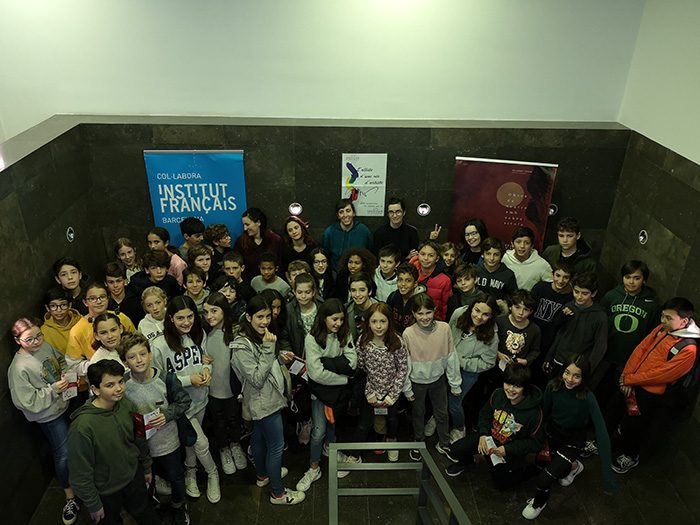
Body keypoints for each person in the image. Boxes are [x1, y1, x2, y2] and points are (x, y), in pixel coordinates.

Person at [230, 295, 305, 505]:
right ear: (248, 317)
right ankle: (278, 494)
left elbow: (264, 364)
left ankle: (263, 475)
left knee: (259, 437)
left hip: (267, 399)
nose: (265, 322)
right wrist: (269, 349)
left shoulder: (259, 336)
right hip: (263, 402)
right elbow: (256, 378)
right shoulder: (241, 346)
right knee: (276, 447)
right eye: (259, 317)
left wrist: (279, 357)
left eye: (267, 316)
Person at [521, 355, 616, 520]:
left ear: (584, 377)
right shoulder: (552, 386)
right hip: (552, 434)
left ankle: (539, 503)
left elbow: (602, 433)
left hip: (572, 441)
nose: (570, 379)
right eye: (567, 372)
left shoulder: (588, 398)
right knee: (543, 466)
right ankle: (574, 467)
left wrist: (608, 477)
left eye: (577, 376)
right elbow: (544, 413)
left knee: (544, 479)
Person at [611, 297, 699, 474]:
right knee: (615, 414)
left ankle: (630, 456)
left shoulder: (689, 348)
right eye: (662, 316)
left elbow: (663, 374)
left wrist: (630, 380)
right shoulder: (662, 329)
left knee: (635, 426)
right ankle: (610, 445)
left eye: (668, 318)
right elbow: (641, 349)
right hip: (633, 381)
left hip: (649, 394)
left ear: (684, 321)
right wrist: (626, 375)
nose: (663, 321)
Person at [68, 360, 160, 524]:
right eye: (110, 385)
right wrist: (93, 503)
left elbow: (139, 439)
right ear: (95, 389)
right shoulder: (82, 427)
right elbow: (80, 471)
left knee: (147, 515)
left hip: (133, 477)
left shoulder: (126, 405)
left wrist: (146, 467)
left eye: (121, 382)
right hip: (106, 490)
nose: (119, 388)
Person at [8, 318, 80, 525]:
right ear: (18, 341)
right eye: (29, 339)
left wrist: (66, 374)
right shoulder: (18, 368)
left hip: (65, 403)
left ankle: (80, 481)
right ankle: (70, 497)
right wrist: (53, 390)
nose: (37, 341)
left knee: (73, 447)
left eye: (39, 335)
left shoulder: (45, 346)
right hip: (49, 416)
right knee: (63, 454)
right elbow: (26, 402)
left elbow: (61, 360)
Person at [151, 296, 220, 503]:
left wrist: (207, 370)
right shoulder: (159, 345)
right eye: (180, 318)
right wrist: (190, 380)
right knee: (201, 442)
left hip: (201, 399)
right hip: (181, 405)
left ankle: (191, 470)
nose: (186, 322)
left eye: (190, 316)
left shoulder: (199, 334)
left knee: (190, 442)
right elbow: (159, 379)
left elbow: (206, 359)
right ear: (170, 318)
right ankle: (213, 473)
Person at [120, 332, 192, 525]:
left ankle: (179, 506)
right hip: (141, 447)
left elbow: (184, 401)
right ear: (125, 361)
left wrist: (167, 414)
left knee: (176, 477)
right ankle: (154, 506)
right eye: (132, 356)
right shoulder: (123, 384)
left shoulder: (167, 379)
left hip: (168, 442)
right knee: (147, 479)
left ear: (150, 354)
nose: (139, 360)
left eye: (143, 354)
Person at [445, 364, 543, 492]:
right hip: (488, 439)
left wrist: (507, 449)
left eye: (517, 386)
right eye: (508, 383)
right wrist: (483, 434)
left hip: (509, 450)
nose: (510, 389)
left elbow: (535, 443)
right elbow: (484, 415)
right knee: (455, 450)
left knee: (502, 484)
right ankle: (467, 462)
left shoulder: (535, 413)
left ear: (525, 388)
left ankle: (528, 471)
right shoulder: (498, 394)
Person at [296, 298, 361, 492]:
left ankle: (329, 449)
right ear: (324, 318)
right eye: (334, 319)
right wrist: (344, 379)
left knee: (332, 425)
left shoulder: (345, 333)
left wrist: (327, 363)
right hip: (320, 393)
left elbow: (352, 363)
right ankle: (313, 467)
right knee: (318, 431)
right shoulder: (312, 338)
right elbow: (316, 374)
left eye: (341, 319)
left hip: (337, 393)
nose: (338, 323)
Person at [403, 293, 461, 461]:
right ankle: (419, 442)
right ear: (413, 314)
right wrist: (407, 388)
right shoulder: (408, 333)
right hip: (417, 382)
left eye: (428, 312)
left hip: (438, 380)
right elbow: (405, 363)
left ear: (434, 310)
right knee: (418, 413)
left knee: (442, 413)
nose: (424, 317)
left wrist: (455, 383)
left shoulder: (444, 328)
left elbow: (451, 356)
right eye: (420, 313)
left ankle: (444, 442)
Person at [354, 303, 409, 461]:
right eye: (374, 321)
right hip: (371, 391)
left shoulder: (397, 342)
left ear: (389, 321)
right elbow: (362, 368)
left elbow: (402, 370)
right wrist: (369, 392)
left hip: (391, 393)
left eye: (383, 321)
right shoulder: (363, 341)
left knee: (392, 420)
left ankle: (391, 439)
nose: (378, 326)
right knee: (364, 424)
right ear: (368, 322)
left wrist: (392, 396)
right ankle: (355, 455)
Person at [202, 292, 247, 475]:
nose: (209, 316)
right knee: (218, 421)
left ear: (224, 310)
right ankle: (224, 449)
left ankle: (235, 444)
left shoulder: (236, 333)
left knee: (234, 418)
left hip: (233, 389)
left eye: (214, 311)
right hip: (212, 389)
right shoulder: (204, 333)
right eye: (206, 312)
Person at [448, 293, 499, 442]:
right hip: (447, 364)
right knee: (441, 396)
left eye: (485, 314)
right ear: (471, 307)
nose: (479, 317)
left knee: (455, 403)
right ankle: (437, 418)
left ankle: (459, 428)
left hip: (467, 372)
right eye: (477, 310)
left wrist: (462, 362)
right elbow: (447, 334)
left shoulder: (492, 336)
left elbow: (489, 362)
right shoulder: (459, 313)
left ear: (491, 316)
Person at [65, 282, 135, 385]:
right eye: (93, 298)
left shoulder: (122, 318)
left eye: (102, 297)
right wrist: (99, 364)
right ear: (85, 302)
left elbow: (137, 343)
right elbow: (73, 365)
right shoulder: (77, 330)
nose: (98, 301)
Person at [544, 272, 608, 379]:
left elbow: (600, 347)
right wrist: (549, 356)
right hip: (558, 359)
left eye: (584, 293)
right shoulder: (568, 307)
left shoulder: (600, 316)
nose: (579, 297)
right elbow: (559, 333)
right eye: (576, 292)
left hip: (577, 365)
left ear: (593, 293)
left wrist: (588, 369)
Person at [234, 207, 284, 280]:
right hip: (250, 283)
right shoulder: (241, 241)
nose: (245, 228)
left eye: (247, 224)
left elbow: (281, 264)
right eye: (244, 225)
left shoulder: (275, 240)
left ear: (258, 222)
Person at [322, 198, 373, 270]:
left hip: (359, 273)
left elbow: (370, 253)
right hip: (337, 272)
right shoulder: (329, 232)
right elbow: (325, 255)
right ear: (338, 216)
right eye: (341, 212)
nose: (345, 215)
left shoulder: (364, 231)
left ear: (354, 213)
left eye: (348, 211)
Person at [502, 227, 553, 291]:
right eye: (518, 242)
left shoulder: (542, 264)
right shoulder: (505, 258)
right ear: (512, 244)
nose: (522, 246)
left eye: (527, 243)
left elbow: (551, 287)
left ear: (532, 246)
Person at [475, 237, 518, 312]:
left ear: (501, 256)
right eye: (488, 254)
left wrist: (505, 302)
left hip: (498, 311)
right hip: (476, 309)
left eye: (496, 254)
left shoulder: (508, 275)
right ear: (482, 254)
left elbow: (514, 297)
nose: (491, 258)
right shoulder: (475, 270)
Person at [413, 240, 452, 321]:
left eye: (430, 255)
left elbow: (445, 307)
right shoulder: (412, 272)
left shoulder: (445, 280)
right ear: (418, 255)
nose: (426, 258)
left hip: (434, 320)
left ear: (437, 258)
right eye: (423, 254)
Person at [386, 263, 426, 333]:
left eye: (408, 281)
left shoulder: (421, 301)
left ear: (415, 284)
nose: (403, 284)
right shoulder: (393, 297)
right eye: (400, 280)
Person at [42, 288, 82, 356]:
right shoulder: (44, 331)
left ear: (69, 305)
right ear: (47, 308)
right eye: (53, 306)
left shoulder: (80, 322)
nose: (59, 310)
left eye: (63, 305)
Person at [346, 272, 378, 340]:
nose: (357, 294)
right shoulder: (346, 309)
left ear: (370, 291)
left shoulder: (380, 309)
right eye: (353, 290)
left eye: (362, 290)